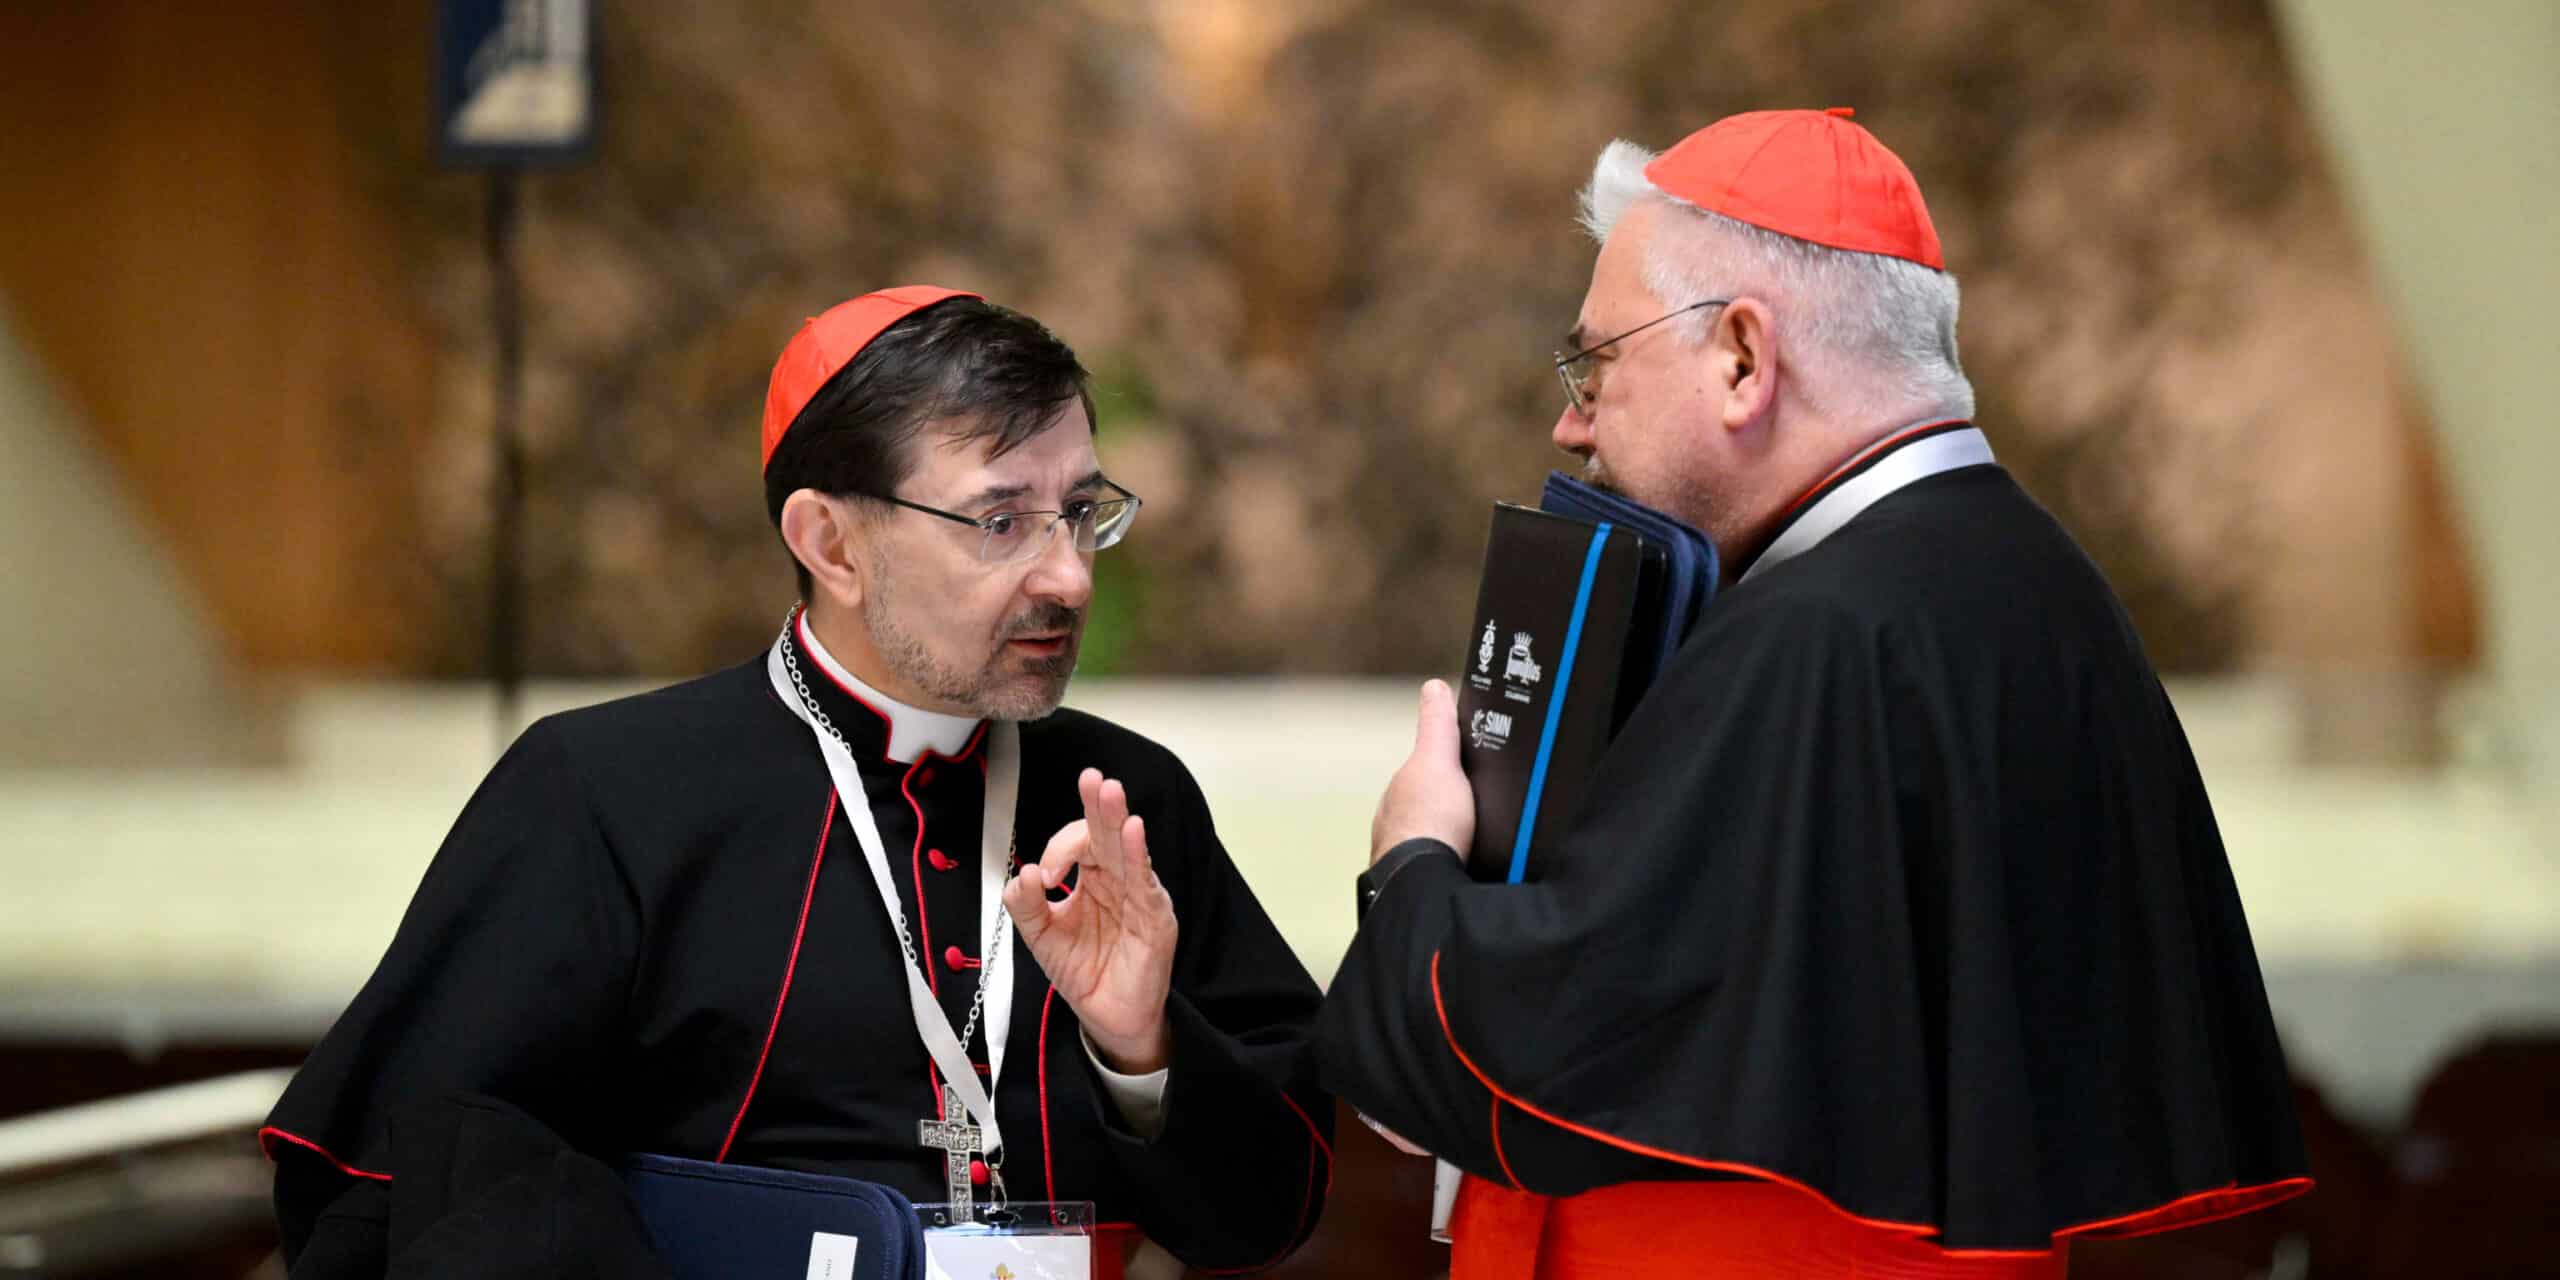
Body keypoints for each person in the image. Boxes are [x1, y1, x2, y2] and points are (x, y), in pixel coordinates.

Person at [1315, 110, 2309, 1278]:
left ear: (1742, 357)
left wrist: (1414, 862)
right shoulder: (2038, 588)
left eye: (1597, 361)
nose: (1569, 420)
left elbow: (1555, 1048)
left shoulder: (1813, 639)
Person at [264, 287, 1333, 1277]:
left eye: (1082, 510)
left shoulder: (1127, 801)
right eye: (1001, 520)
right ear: (831, 541)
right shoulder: (603, 792)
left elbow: (1265, 1217)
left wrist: (1140, 1048)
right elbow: (411, 1177)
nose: (1066, 573)